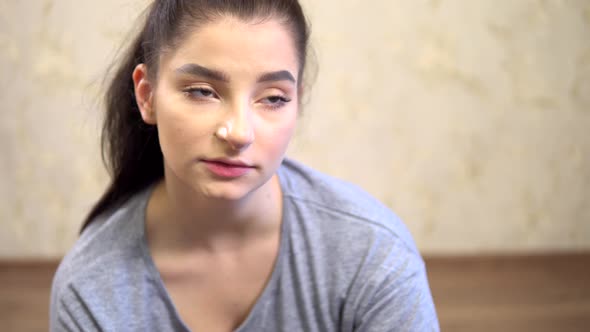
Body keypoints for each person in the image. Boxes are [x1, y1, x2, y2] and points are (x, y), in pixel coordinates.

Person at [50, 0, 439, 331]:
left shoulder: (372, 255)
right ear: (147, 95)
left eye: (272, 98)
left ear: (297, 103)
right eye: (202, 92)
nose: (238, 132)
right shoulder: (89, 290)